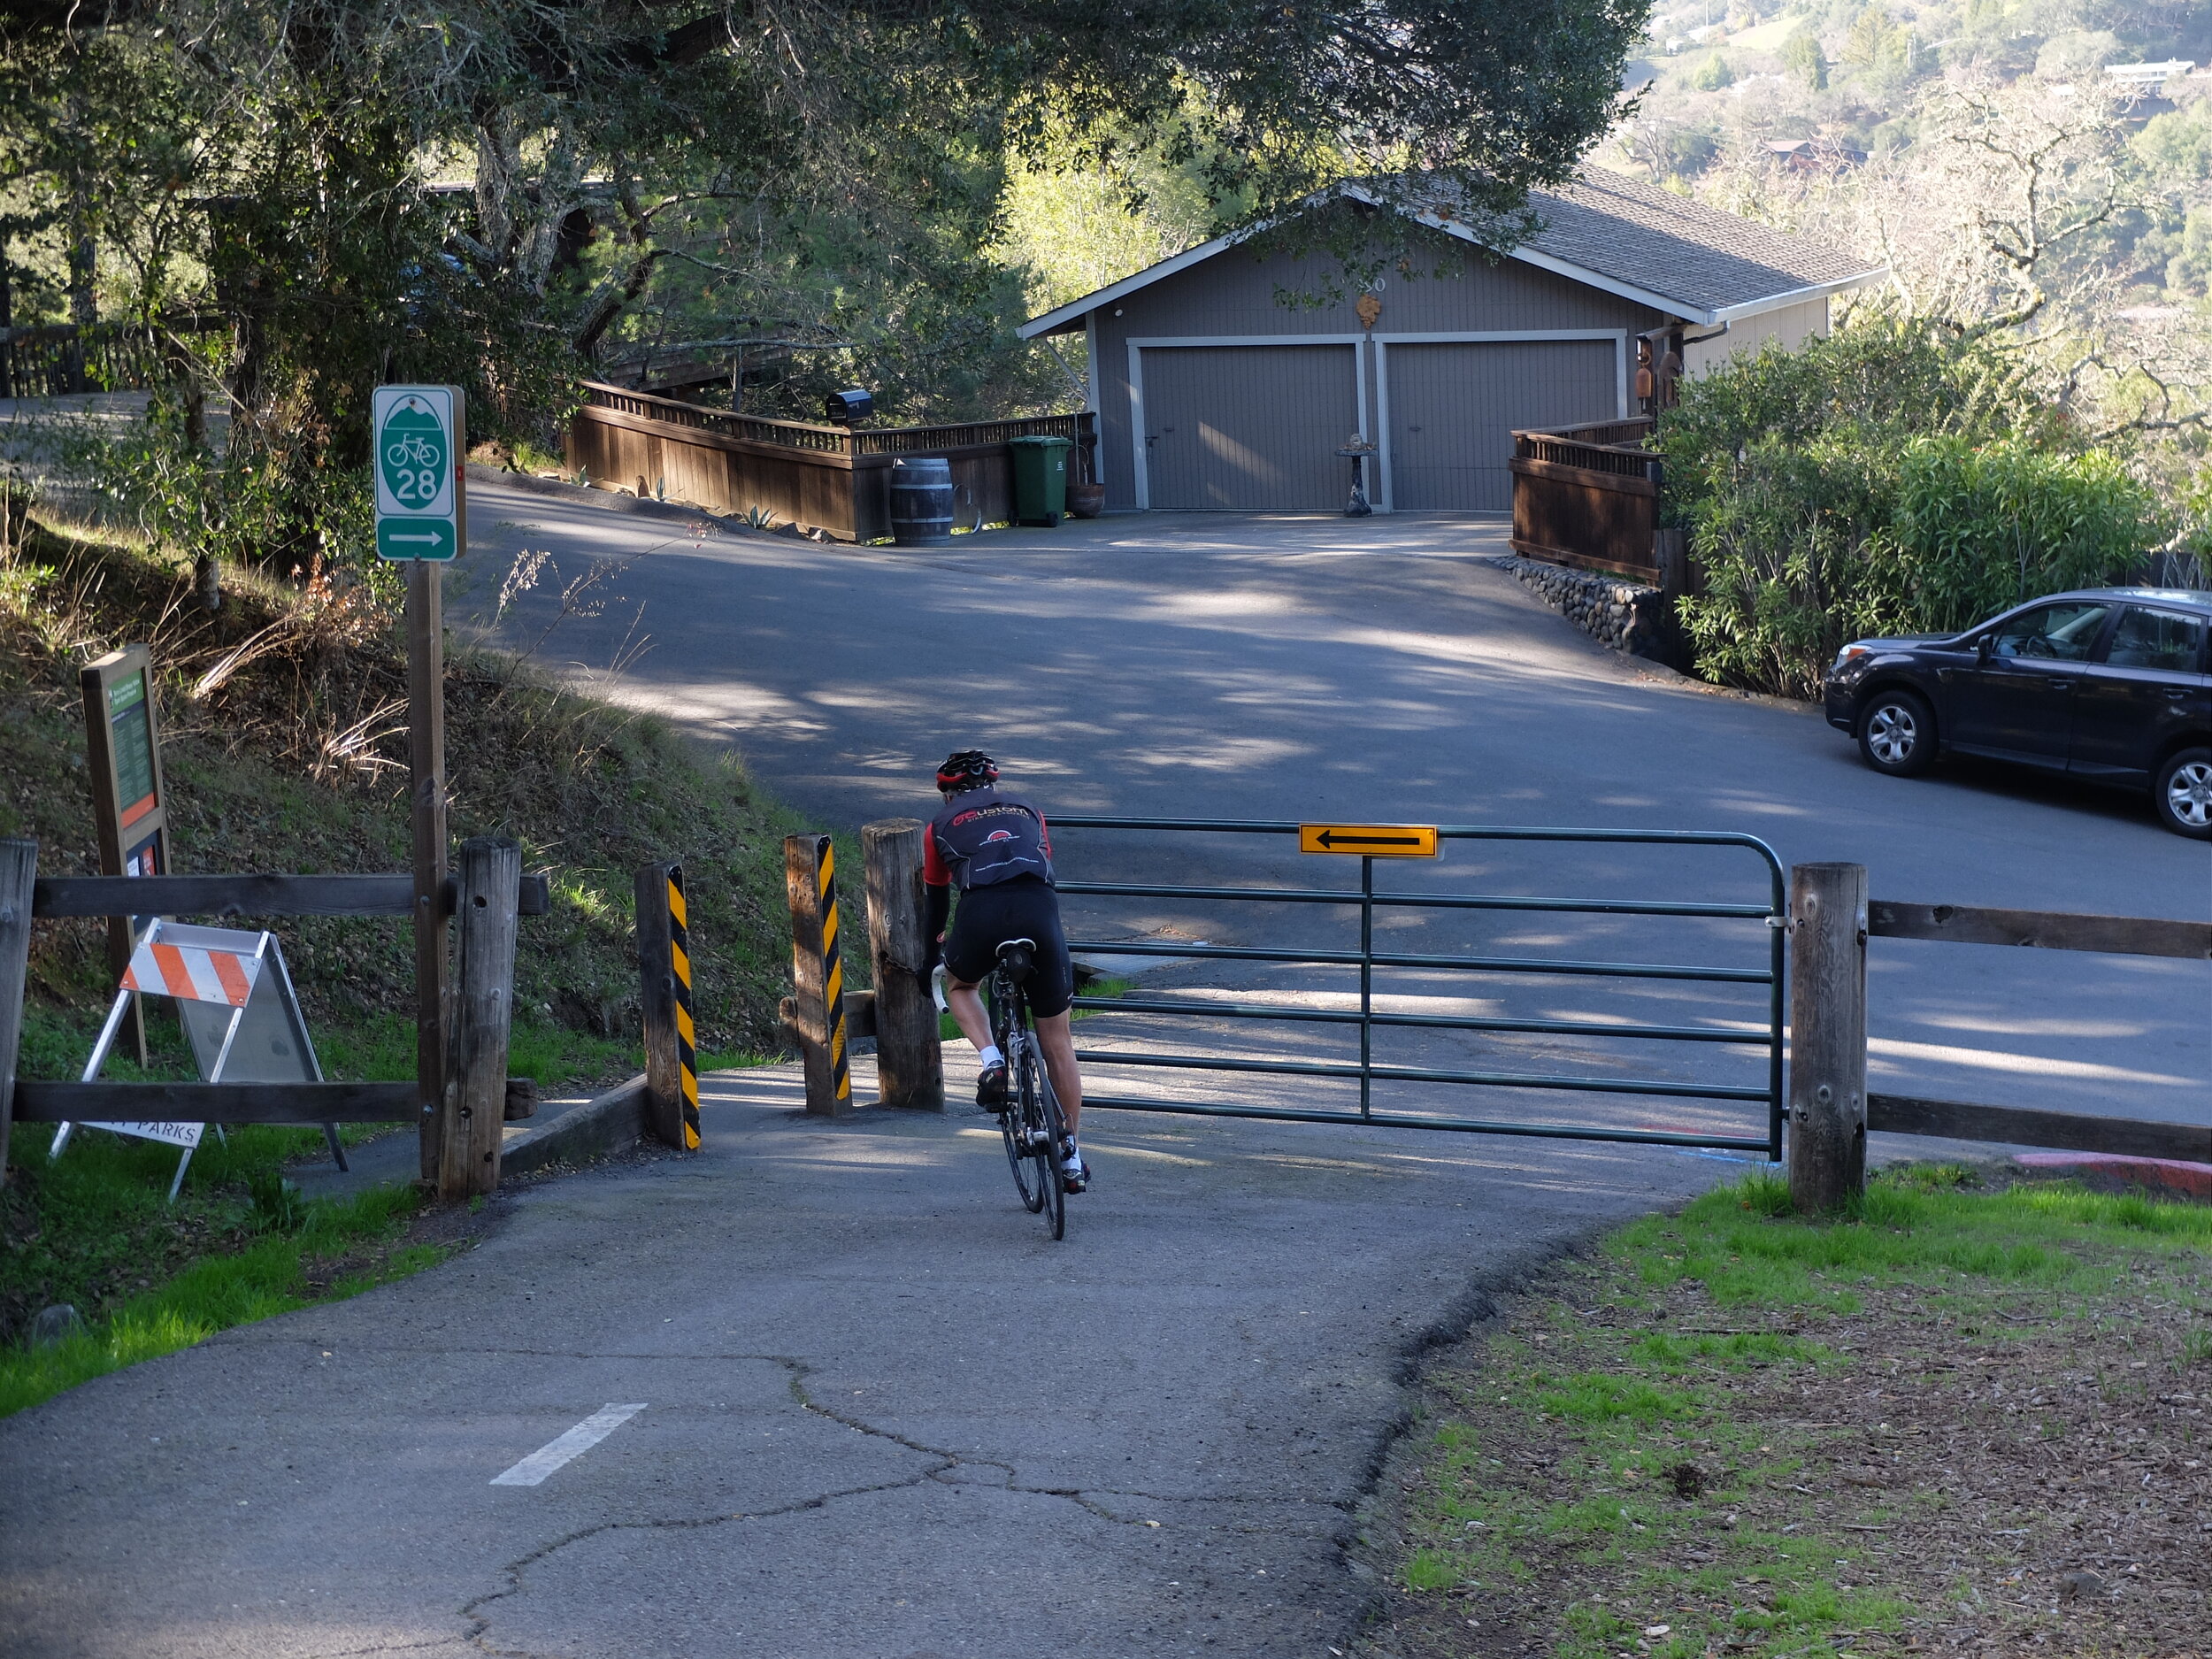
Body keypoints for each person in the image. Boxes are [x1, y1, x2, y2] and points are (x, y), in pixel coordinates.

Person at [922, 749, 1088, 1192]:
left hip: (982, 913)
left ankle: (992, 1060)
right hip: (1038, 910)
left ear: (948, 793)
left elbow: (936, 897)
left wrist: (929, 956)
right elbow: (1045, 866)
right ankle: (1071, 1154)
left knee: (960, 985)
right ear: (993, 785)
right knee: (1057, 1040)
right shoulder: (1030, 809)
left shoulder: (938, 826)